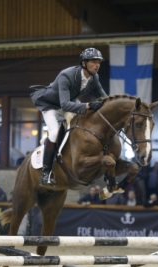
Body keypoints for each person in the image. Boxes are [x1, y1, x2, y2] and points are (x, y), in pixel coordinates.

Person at [30, 48, 107, 186]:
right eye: (94, 62)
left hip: (70, 103)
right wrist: (88, 106)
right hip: (51, 105)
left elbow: (104, 98)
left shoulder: (94, 78)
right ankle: (46, 173)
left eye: (99, 62)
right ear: (84, 63)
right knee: (54, 132)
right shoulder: (67, 75)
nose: (97, 65)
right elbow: (64, 105)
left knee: (81, 128)